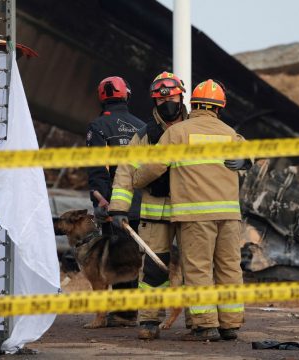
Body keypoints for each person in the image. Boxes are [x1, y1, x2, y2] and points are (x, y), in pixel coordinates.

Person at [132, 79, 251, 341]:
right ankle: (230, 324)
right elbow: (249, 154)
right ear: (220, 107)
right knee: (230, 267)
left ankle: (205, 326)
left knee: (198, 269)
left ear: (192, 103)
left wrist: (135, 179)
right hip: (229, 215)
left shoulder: (178, 133)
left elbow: (153, 168)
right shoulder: (230, 133)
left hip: (196, 215)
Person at [109, 71, 189, 340]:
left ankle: (201, 322)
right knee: (154, 269)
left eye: (173, 98)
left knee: (196, 267)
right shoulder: (145, 135)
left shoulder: (195, 129)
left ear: (181, 98)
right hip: (155, 211)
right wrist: (119, 208)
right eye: (161, 100)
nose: (168, 105)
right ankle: (149, 321)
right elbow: (124, 172)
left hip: (192, 211)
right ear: (154, 102)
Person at [86, 76, 145, 327]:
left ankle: (124, 314)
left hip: (113, 203)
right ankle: (129, 311)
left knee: (118, 255)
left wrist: (101, 200)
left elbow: (98, 168)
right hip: (142, 202)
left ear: (102, 96)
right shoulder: (142, 126)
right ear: (126, 95)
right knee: (134, 255)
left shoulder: (98, 127)